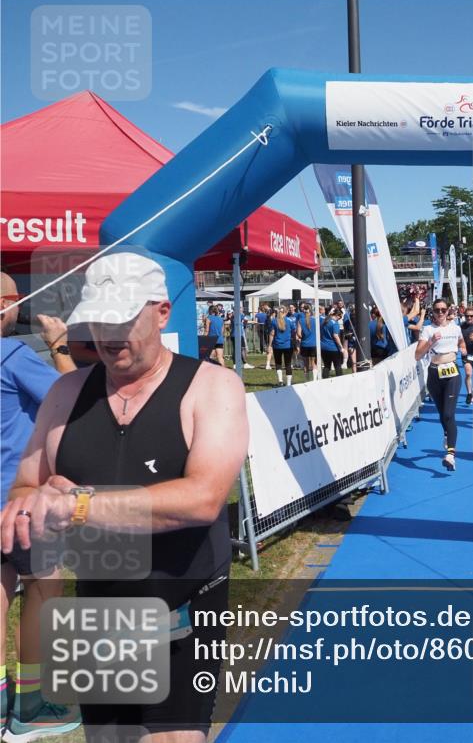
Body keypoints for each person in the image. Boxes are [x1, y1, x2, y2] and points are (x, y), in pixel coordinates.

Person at [0, 252, 248, 740]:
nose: (108, 335)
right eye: (97, 320)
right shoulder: (65, 393)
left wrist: (79, 504)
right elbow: (28, 482)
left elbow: (203, 498)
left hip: (184, 600)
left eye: (122, 318)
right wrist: (28, 503)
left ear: (161, 312)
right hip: (101, 606)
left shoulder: (211, 387)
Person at [1, 272, 80, 740]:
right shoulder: (12, 355)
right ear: (9, 307)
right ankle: (32, 708)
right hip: (21, 503)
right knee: (44, 594)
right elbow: (74, 397)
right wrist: (60, 345)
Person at [415, 299, 467, 471]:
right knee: (441, 413)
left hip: (452, 373)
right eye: (437, 310)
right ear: (433, 312)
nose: (440, 313)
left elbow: (461, 342)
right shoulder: (428, 330)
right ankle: (447, 433)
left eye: (443, 310)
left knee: (448, 414)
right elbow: (417, 355)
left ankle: (451, 455)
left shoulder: (456, 328)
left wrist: (463, 349)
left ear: (448, 311)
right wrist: (431, 343)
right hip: (434, 373)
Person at [320, 306, 345, 378]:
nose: (340, 318)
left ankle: (324, 381)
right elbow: (335, 336)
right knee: (337, 366)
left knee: (326, 366)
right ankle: (340, 381)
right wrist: (341, 347)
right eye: (340, 317)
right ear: (337, 315)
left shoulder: (325, 321)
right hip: (333, 348)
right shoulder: (335, 323)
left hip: (324, 347)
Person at [269, 305, 294, 378]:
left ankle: (280, 381)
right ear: (286, 312)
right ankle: (288, 383)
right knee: (288, 364)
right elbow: (293, 333)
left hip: (277, 345)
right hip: (288, 345)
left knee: (278, 363)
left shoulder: (274, 321)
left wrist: (269, 345)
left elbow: (272, 334)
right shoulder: (290, 321)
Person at [298, 303, 317, 376]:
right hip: (314, 344)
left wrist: (304, 337)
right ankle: (314, 379)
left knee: (305, 363)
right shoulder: (315, 319)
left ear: (303, 311)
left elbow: (299, 334)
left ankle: (306, 379)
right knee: (314, 362)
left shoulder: (300, 320)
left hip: (304, 344)